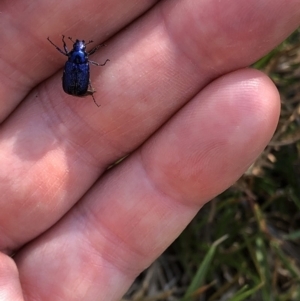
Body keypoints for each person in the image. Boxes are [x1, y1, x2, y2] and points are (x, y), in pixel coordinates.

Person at [0, 0, 297, 300]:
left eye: (79, 48)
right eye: (80, 48)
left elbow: (71, 60)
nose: (80, 48)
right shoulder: (82, 59)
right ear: (82, 52)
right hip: (75, 84)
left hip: (74, 84)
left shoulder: (77, 59)